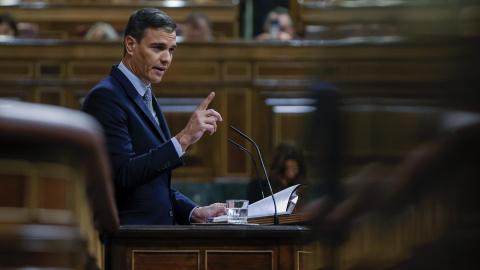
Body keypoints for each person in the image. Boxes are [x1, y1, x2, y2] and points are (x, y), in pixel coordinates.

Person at [82, 8, 226, 225]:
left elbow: (151, 184)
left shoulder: (144, 94)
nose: (166, 59)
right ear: (130, 44)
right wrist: (184, 138)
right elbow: (122, 175)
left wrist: (193, 211)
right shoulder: (106, 97)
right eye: (158, 48)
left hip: (153, 237)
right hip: (128, 238)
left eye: (171, 50)